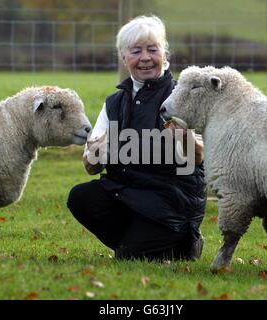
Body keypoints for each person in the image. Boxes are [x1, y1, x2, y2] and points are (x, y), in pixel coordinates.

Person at [67, 15, 206, 261]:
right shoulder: (114, 103)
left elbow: (198, 159)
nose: (145, 58)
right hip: (127, 196)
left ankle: (185, 239)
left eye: (152, 50)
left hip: (171, 203)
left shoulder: (182, 97)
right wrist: (93, 155)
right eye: (135, 51)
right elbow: (90, 166)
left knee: (130, 257)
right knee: (81, 197)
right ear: (124, 58)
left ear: (165, 54)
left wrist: (186, 139)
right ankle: (140, 244)